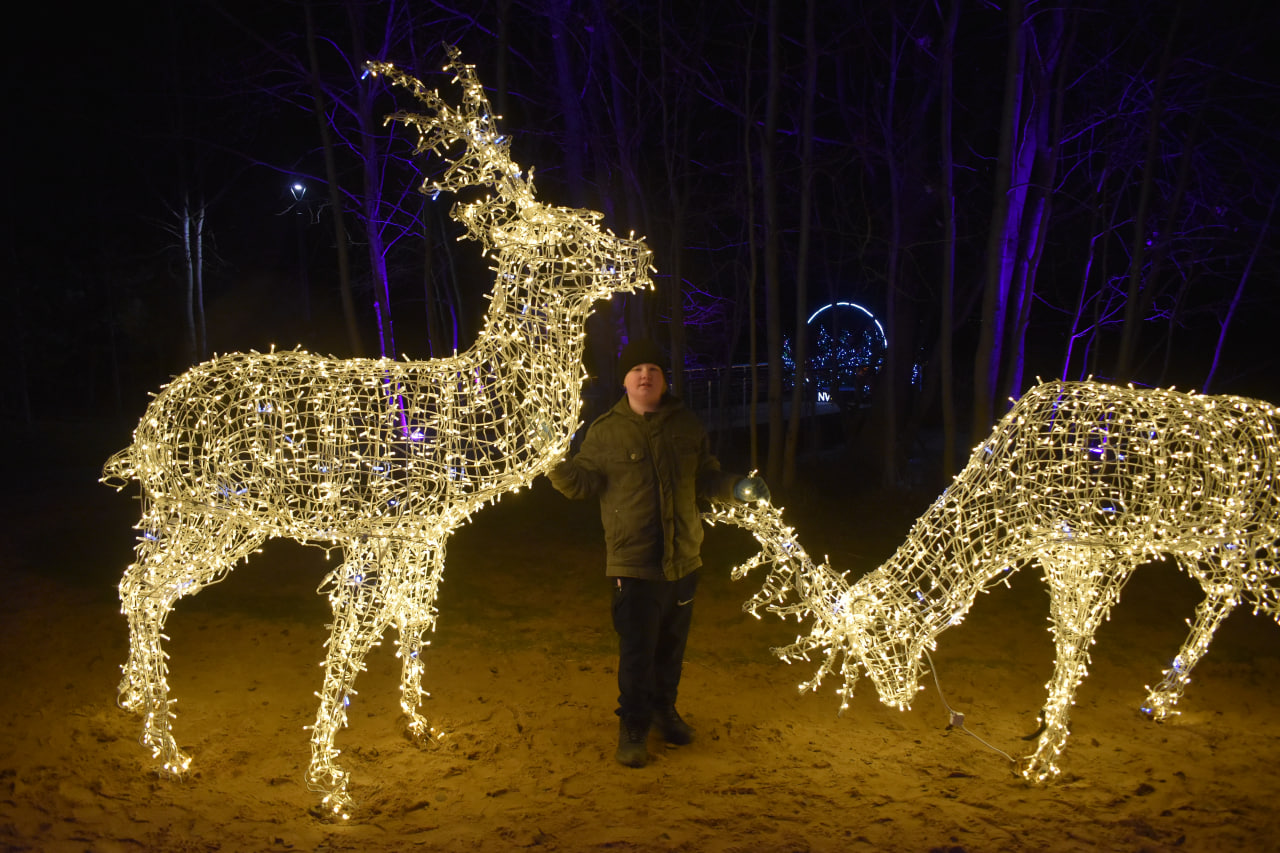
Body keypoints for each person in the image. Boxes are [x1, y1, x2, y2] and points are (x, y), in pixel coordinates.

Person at [548, 338, 769, 768]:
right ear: (625, 380)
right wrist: (553, 458)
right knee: (637, 651)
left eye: (653, 368)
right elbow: (579, 483)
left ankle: (664, 712)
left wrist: (739, 488)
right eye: (636, 370)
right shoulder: (606, 431)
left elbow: (707, 479)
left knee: (671, 647)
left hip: (684, 560)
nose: (644, 374)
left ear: (664, 378)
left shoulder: (686, 425)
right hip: (634, 565)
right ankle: (633, 725)